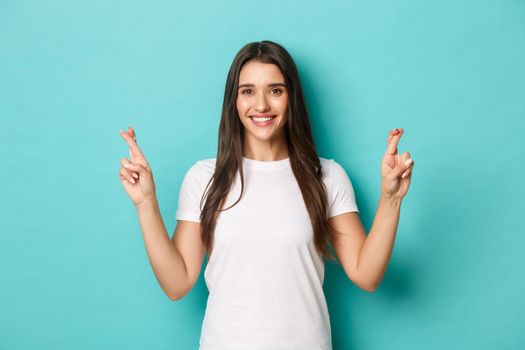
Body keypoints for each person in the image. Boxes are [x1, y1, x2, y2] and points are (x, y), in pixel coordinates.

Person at [118, 40, 415, 350]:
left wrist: (391, 199)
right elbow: (177, 283)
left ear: (292, 98)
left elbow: (366, 274)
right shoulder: (205, 178)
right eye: (247, 91)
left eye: (275, 90)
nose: (261, 105)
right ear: (233, 101)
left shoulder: (326, 177)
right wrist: (145, 204)